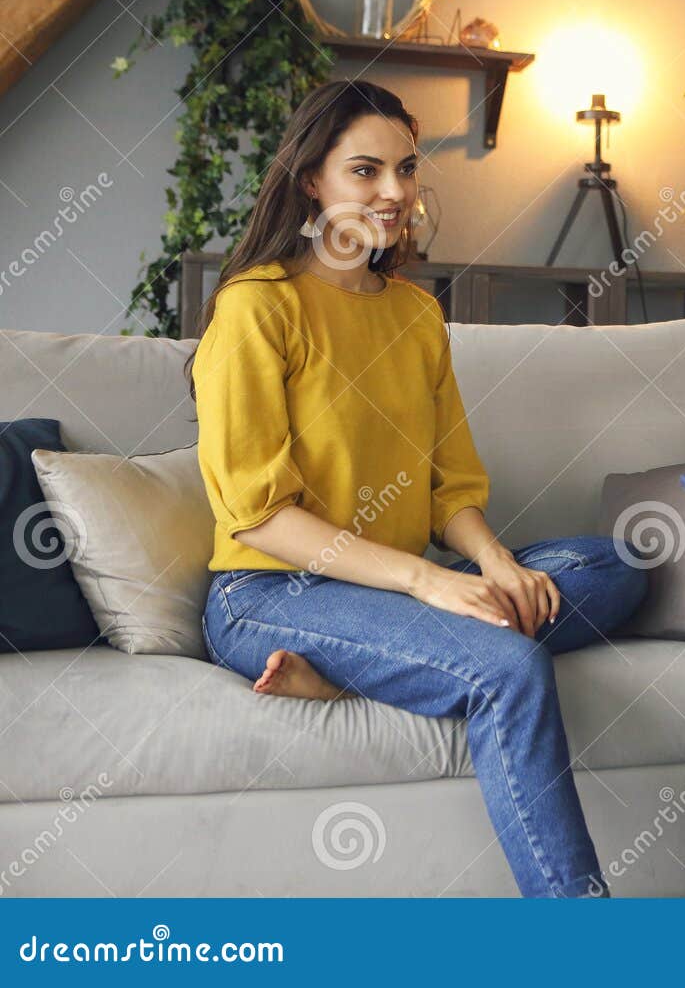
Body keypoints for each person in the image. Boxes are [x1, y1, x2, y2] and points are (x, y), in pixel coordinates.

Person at [187, 79, 647, 898]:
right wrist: (427, 580)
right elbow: (257, 514)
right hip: (271, 594)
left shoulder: (414, 314)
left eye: (405, 169)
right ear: (311, 183)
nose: (394, 193)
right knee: (508, 669)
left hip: (397, 592)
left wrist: (494, 561)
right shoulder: (257, 307)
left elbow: (449, 486)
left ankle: (369, 667)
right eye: (365, 171)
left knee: (616, 564)